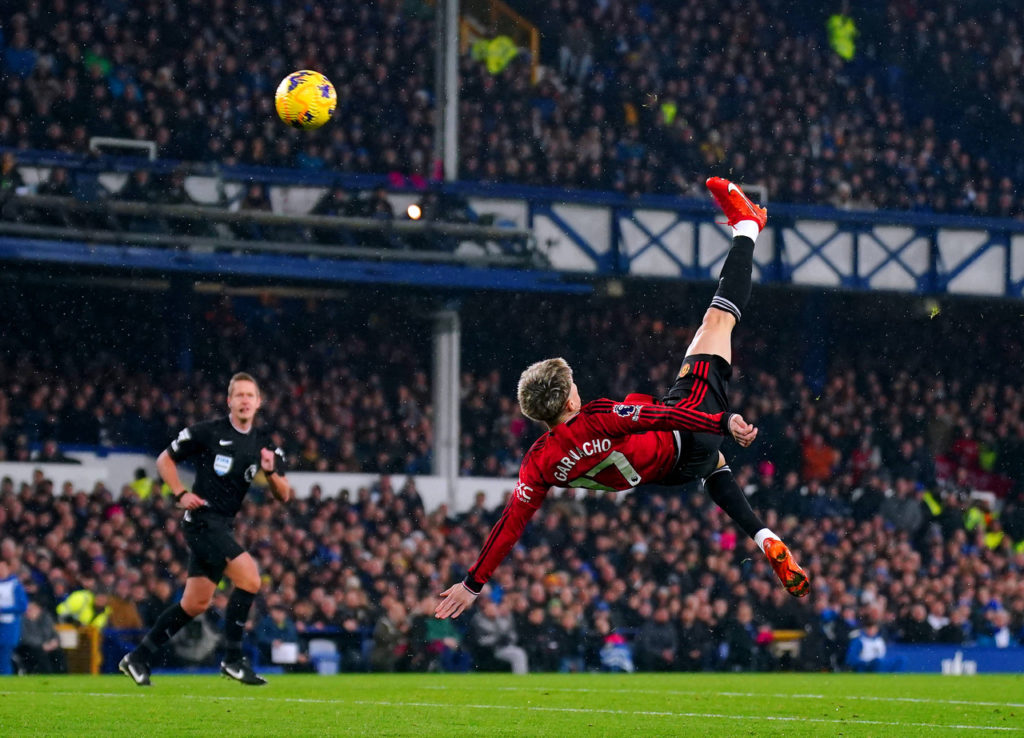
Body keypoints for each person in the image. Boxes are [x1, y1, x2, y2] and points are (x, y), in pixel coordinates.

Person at [436, 178, 810, 621]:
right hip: (687, 431)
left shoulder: (539, 462)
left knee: (714, 468)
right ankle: (748, 225)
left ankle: (763, 536)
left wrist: (472, 582)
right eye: (573, 385)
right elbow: (666, 413)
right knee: (717, 320)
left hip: (669, 474)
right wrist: (723, 421)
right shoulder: (598, 417)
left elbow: (510, 526)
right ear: (569, 402)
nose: (578, 387)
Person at [119, 372, 291, 687]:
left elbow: (284, 494)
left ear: (258, 403)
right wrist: (180, 493)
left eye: (249, 396)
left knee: (195, 604)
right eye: (238, 395)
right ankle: (233, 659)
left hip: (222, 524)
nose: (244, 401)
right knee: (250, 579)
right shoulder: (208, 432)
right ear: (229, 401)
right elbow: (164, 460)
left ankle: (138, 657)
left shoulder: (265, 444)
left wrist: (270, 473)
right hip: (201, 520)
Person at [0, 560, 28, 675]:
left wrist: (3, 610)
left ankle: (5, 681)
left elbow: (22, 606)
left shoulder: (15, 585)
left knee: (4, 657)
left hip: (9, 625)